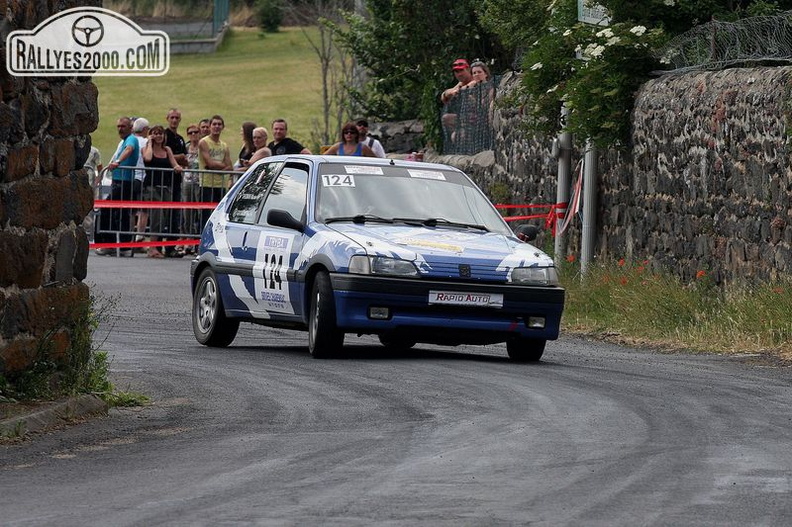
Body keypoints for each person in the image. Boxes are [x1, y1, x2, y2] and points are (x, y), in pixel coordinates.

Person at [95, 116, 139, 256]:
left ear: (130, 128)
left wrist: (118, 161)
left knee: (108, 210)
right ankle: (121, 246)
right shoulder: (124, 140)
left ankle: (110, 244)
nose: (120, 129)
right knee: (120, 213)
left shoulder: (131, 139)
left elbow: (129, 149)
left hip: (124, 181)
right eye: (118, 126)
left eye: (123, 126)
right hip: (119, 180)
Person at [142, 125, 184, 258]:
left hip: (166, 188)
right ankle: (152, 247)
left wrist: (178, 168)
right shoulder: (146, 149)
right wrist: (149, 141)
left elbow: (174, 164)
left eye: (160, 133)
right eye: (155, 133)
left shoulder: (167, 149)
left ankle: (156, 247)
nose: (158, 136)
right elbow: (148, 159)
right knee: (156, 217)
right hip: (152, 188)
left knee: (163, 218)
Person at [198, 114, 234, 228]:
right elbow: (209, 163)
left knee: (219, 215)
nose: (217, 127)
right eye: (214, 124)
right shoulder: (204, 142)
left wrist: (217, 167)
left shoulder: (224, 145)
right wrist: (222, 167)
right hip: (207, 183)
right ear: (210, 126)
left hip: (221, 185)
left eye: (219, 124)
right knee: (206, 215)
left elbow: (230, 166)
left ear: (223, 127)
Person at [181, 123, 203, 250]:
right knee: (187, 211)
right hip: (187, 181)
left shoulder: (203, 146)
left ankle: (199, 239)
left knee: (200, 210)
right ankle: (189, 239)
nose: (193, 135)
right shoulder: (186, 147)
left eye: (196, 132)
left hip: (200, 181)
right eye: (191, 133)